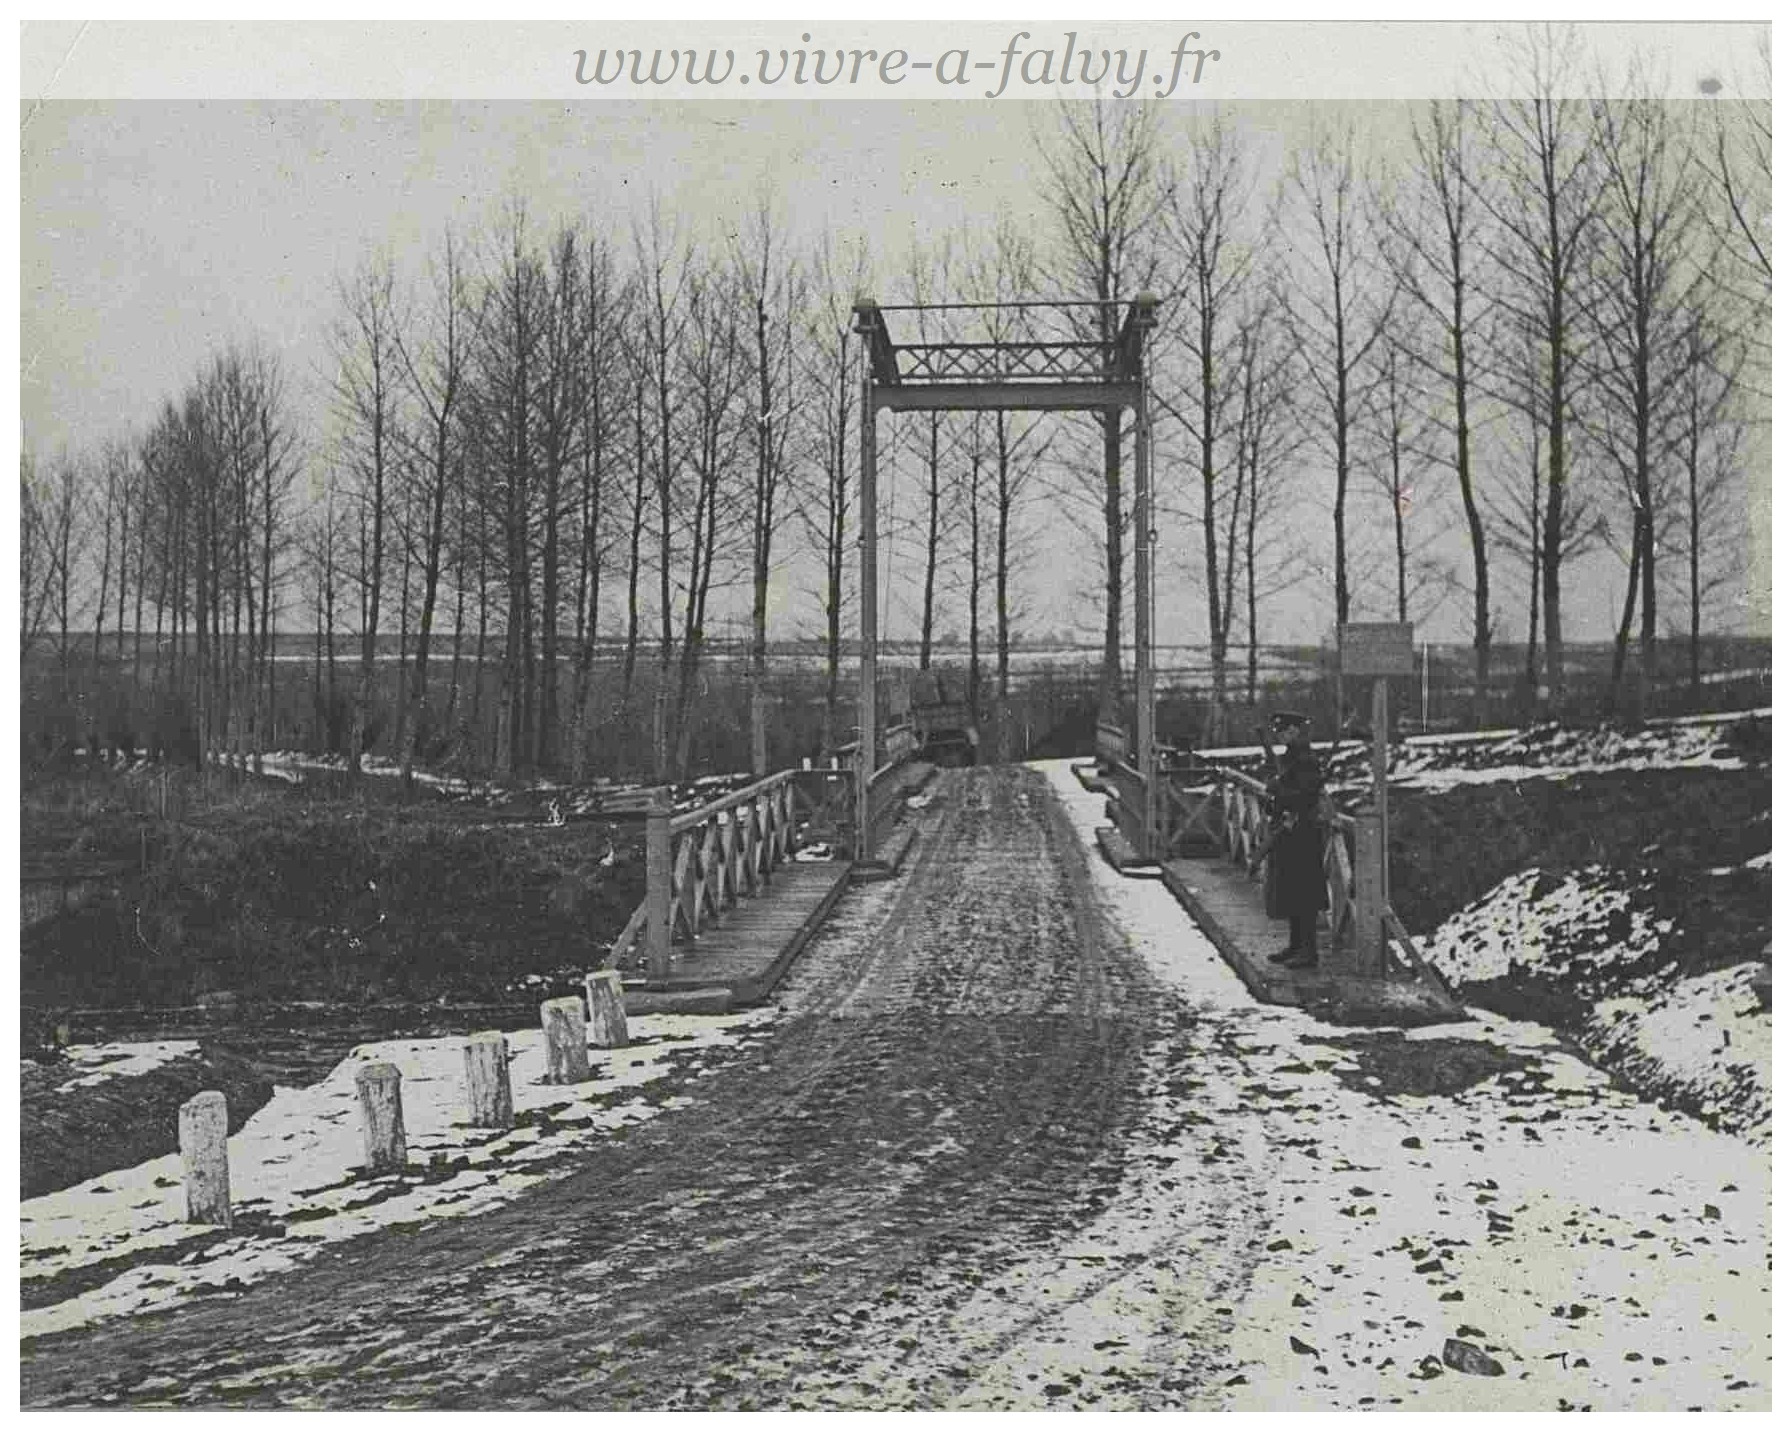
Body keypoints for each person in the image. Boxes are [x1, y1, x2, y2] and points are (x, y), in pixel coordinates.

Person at [1261, 711, 1329, 970]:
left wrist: (1278, 790)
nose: (1280, 735)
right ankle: (1295, 945)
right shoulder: (1292, 758)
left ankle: (1309, 951)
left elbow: (1305, 796)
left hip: (1304, 832)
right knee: (1292, 890)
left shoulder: (1305, 759)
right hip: (1291, 832)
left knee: (1304, 894)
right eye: (1279, 731)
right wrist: (1274, 798)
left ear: (1296, 731)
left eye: (1285, 731)